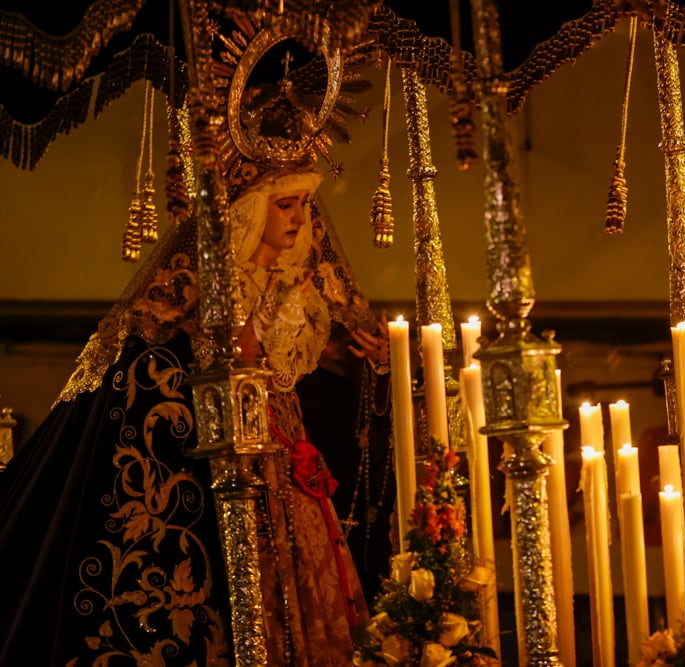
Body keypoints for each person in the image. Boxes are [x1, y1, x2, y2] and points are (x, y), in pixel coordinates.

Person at [0, 158, 393, 666]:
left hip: (287, 471)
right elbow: (167, 380)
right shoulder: (202, 297)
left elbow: (311, 377)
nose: (300, 218)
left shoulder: (301, 292)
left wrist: (376, 361)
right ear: (250, 211)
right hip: (222, 471)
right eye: (285, 204)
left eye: (304, 205)